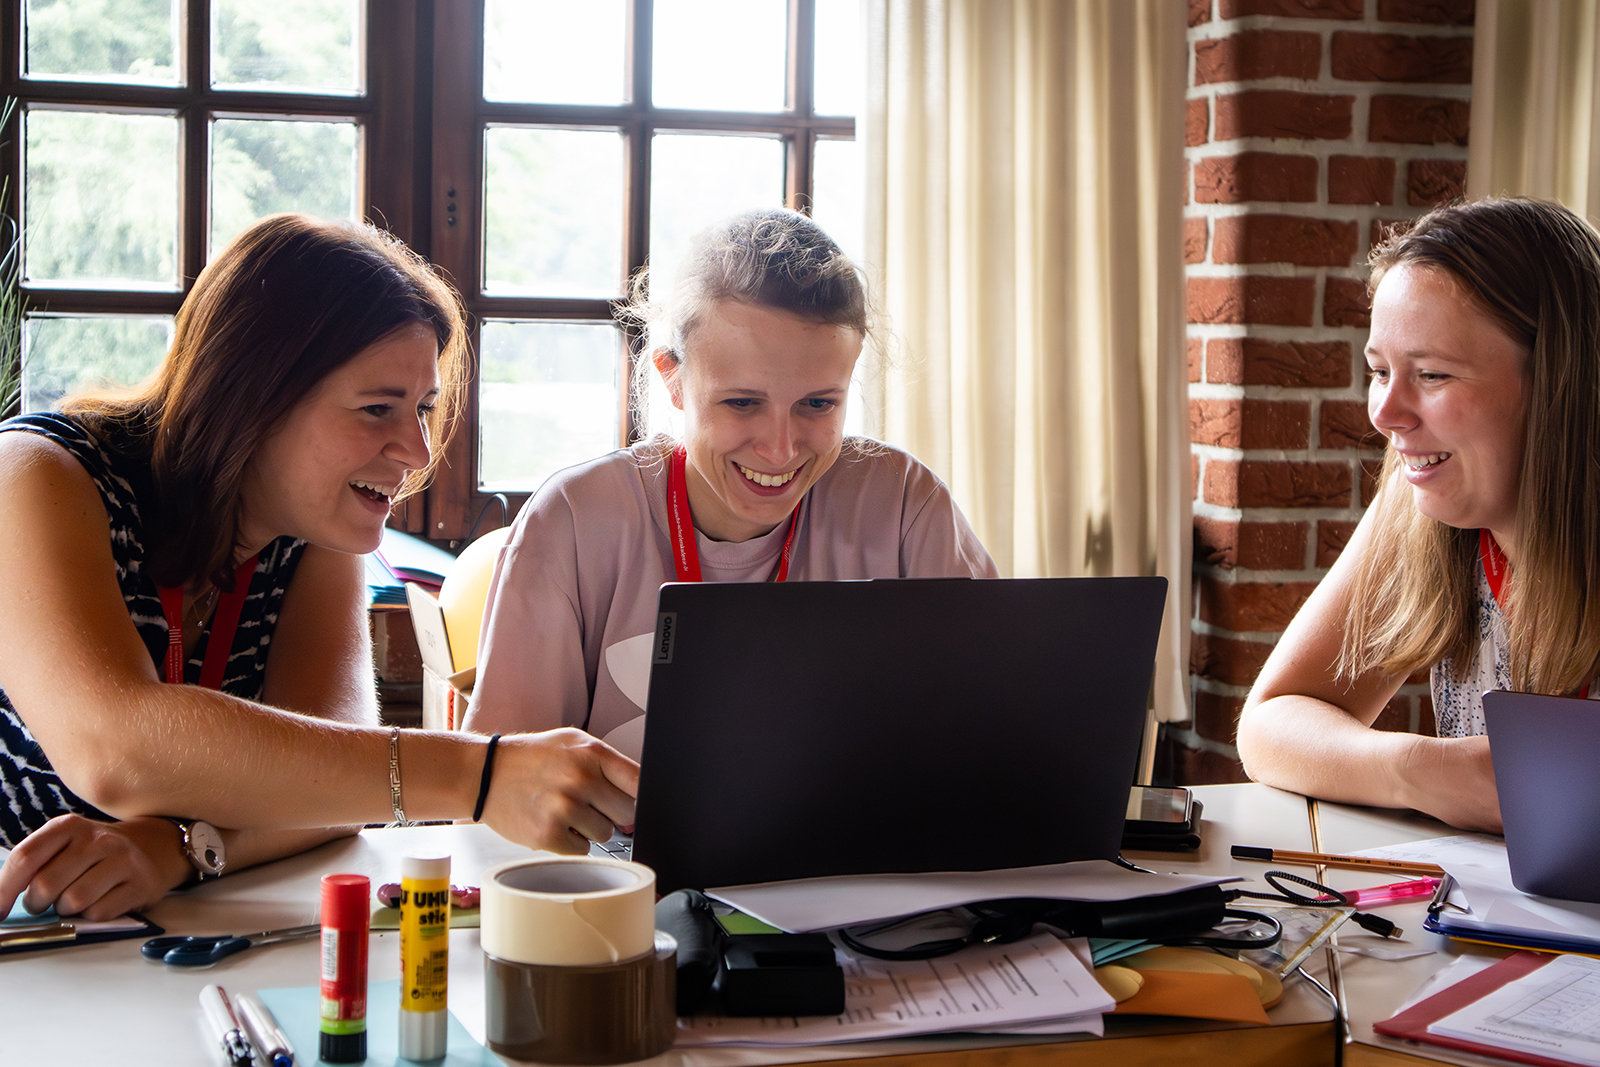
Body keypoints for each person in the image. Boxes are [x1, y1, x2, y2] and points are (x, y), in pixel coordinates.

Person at [0, 214, 637, 922]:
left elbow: (336, 793)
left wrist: (179, 847)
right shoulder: (35, 476)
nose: (419, 452)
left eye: (423, 408)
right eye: (377, 409)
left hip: (123, 955)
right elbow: (113, 744)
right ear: (249, 394)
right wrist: (479, 772)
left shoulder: (316, 534)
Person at [464, 209, 996, 756]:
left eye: (818, 404)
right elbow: (501, 793)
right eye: (742, 402)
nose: (781, 449)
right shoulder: (574, 522)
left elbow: (997, 733)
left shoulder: (904, 503)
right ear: (673, 379)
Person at [1236, 198, 1600, 833]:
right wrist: (1420, 767)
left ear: (1562, 382)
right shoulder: (1420, 504)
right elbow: (1272, 722)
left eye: (1431, 374)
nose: (1384, 412)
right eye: (1380, 371)